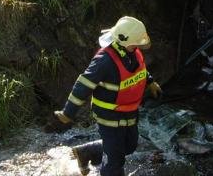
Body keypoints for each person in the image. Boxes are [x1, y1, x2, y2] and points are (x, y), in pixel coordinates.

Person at [52, 16, 162, 176]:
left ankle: (87, 152)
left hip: (129, 112)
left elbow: (139, 69)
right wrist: (68, 113)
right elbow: (82, 86)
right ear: (126, 40)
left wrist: (150, 82)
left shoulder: (132, 51)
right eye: (137, 42)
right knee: (115, 161)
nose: (140, 45)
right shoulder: (104, 61)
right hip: (109, 116)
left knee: (129, 146)